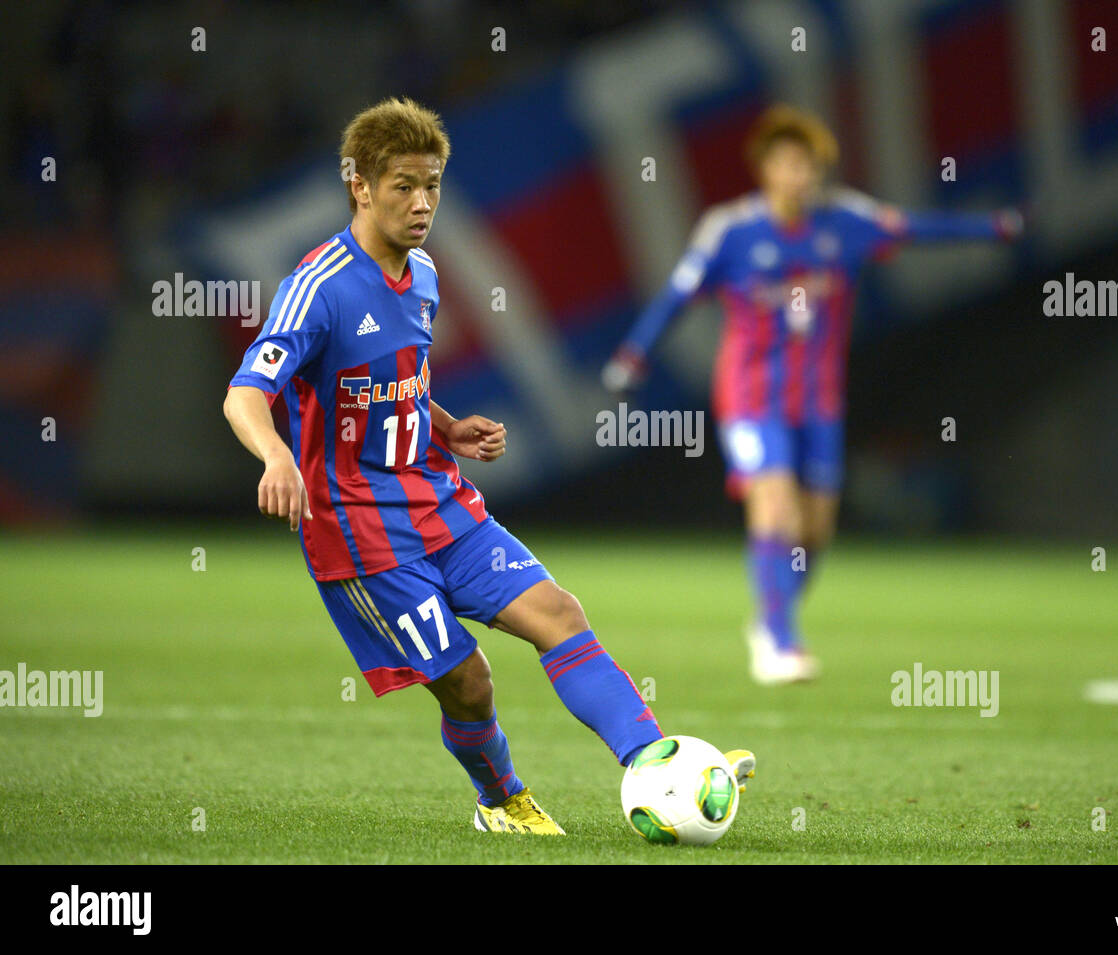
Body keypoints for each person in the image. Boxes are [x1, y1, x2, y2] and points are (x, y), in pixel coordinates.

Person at [223, 97, 753, 834]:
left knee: (560, 614)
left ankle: (654, 763)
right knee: (469, 683)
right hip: (363, 534)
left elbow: (392, 379)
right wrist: (276, 454)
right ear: (361, 186)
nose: (422, 202)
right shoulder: (318, 287)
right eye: (404, 185)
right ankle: (501, 798)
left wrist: (444, 425)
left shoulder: (427, 276)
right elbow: (246, 392)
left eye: (432, 184)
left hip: (439, 501)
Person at [603, 104, 1022, 685]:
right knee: (773, 505)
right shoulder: (731, 230)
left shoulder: (846, 221)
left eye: (808, 165)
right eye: (787, 163)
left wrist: (993, 228)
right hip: (752, 397)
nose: (799, 175)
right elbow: (677, 294)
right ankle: (779, 641)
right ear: (765, 169)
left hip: (820, 401)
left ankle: (771, 617)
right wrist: (633, 355)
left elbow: (916, 228)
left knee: (816, 529)